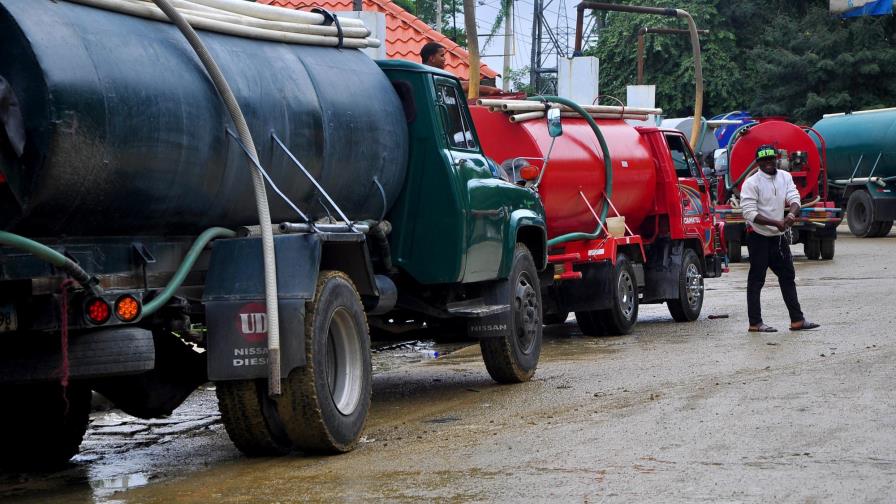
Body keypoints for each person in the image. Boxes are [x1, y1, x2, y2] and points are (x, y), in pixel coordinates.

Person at [740, 144, 820, 333]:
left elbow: (794, 198)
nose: (769, 163)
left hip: (778, 237)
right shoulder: (751, 183)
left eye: (771, 159)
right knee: (756, 280)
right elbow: (749, 213)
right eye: (764, 160)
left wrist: (791, 215)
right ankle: (755, 323)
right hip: (758, 236)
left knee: (787, 276)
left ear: (776, 159)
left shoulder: (785, 177)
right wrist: (776, 223)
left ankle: (797, 320)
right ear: (758, 162)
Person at [420, 41, 501, 96]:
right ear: (432, 58)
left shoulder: (428, 74)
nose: (444, 59)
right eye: (442, 56)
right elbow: (462, 85)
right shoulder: (426, 76)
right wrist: (491, 90)